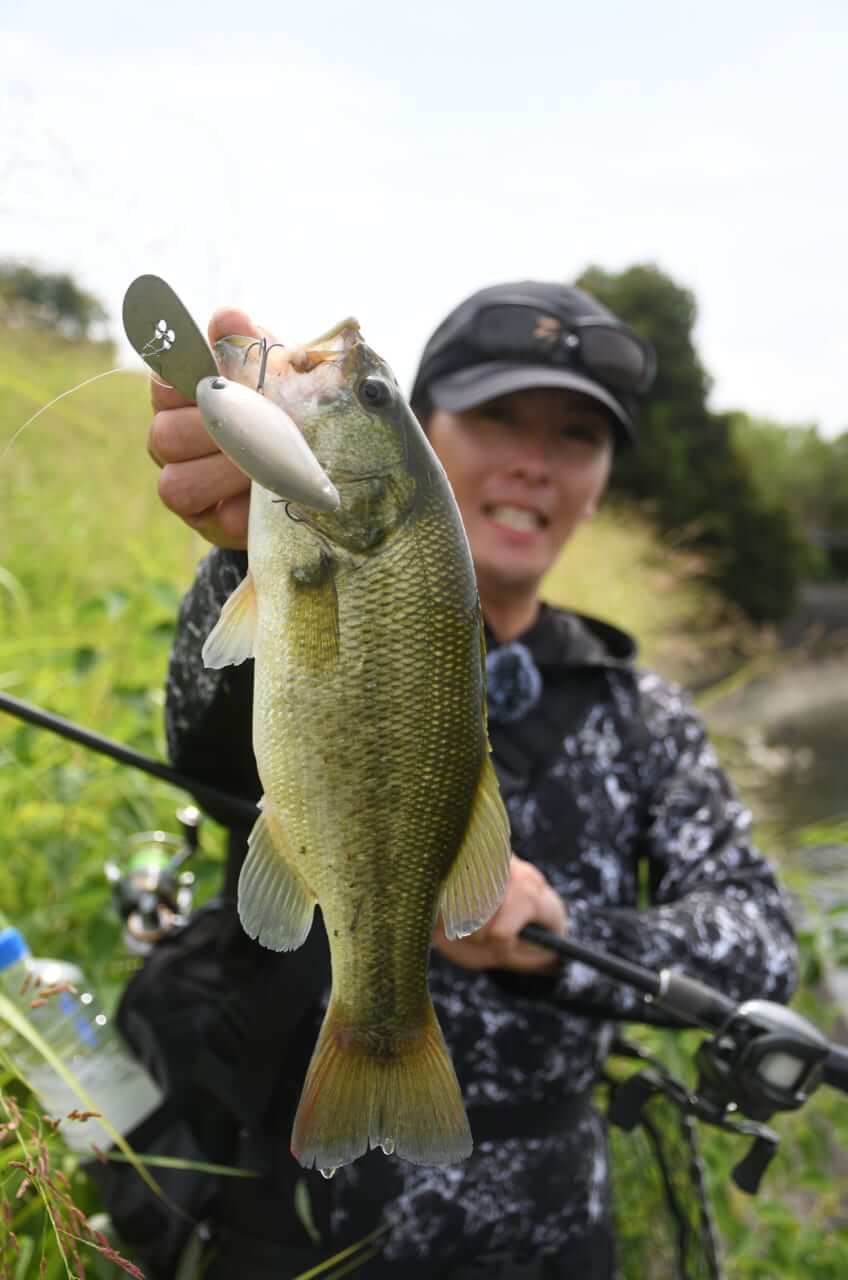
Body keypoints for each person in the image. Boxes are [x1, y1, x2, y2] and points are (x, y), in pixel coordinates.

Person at [143, 281, 798, 1278]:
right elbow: (209, 742)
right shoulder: (283, 567)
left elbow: (761, 950)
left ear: (603, 473)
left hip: (543, 1241)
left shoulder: (643, 717)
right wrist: (239, 550)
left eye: (576, 434)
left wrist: (568, 937)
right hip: (298, 1227)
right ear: (430, 432)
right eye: (498, 414)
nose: (534, 461)